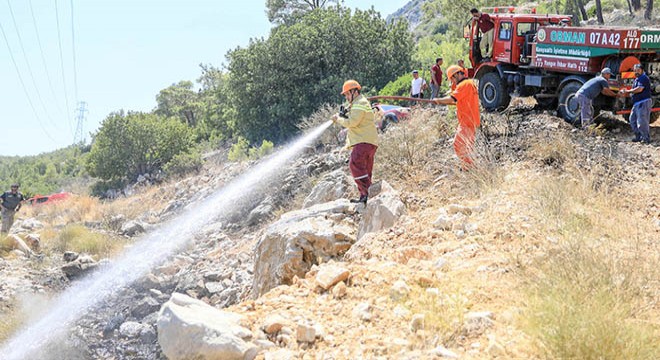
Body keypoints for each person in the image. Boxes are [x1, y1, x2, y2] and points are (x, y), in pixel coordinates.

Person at [332, 80, 378, 204]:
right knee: (366, 170)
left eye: (347, 94)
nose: (346, 97)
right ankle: (365, 197)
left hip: (363, 141)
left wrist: (339, 119)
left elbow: (352, 123)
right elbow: (356, 123)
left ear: (355, 92)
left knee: (355, 164)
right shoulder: (359, 103)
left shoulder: (359, 103)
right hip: (369, 141)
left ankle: (368, 193)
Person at [432, 66, 480, 170]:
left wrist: (438, 100)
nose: (453, 82)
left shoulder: (464, 85)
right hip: (470, 121)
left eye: (452, 79)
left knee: (458, 144)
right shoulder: (469, 84)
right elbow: (458, 101)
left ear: (457, 74)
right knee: (467, 147)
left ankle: (469, 168)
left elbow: (452, 99)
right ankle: (470, 169)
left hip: (467, 121)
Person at [620, 64, 652, 144]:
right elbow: (635, 90)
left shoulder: (643, 78)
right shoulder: (637, 79)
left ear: (642, 70)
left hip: (643, 102)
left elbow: (639, 89)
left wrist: (628, 91)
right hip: (637, 103)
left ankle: (645, 139)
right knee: (632, 120)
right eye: (635, 70)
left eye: (638, 70)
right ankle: (639, 137)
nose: (636, 72)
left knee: (642, 122)